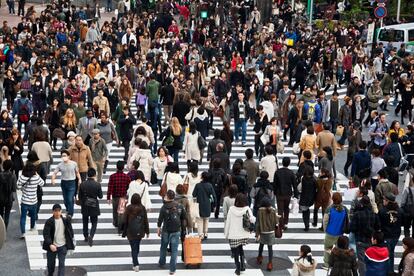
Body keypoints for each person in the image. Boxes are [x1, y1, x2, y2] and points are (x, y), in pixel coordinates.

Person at [157, 190, 187, 276]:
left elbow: (160, 219)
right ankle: (172, 269)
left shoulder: (164, 207)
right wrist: (183, 229)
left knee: (163, 247)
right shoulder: (179, 206)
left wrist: (159, 228)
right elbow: (184, 218)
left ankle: (162, 262)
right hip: (176, 230)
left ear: (167, 197)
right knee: (174, 250)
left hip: (166, 230)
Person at [224, 194, 255, 275]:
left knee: (235, 252)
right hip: (243, 234)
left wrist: (226, 234)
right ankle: (242, 264)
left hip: (234, 234)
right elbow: (253, 220)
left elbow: (228, 223)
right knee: (241, 248)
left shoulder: (231, 209)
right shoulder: (247, 209)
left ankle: (237, 268)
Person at [350, 196, 381, 276]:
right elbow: (378, 227)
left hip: (360, 239)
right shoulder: (374, 214)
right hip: (371, 240)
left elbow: (352, 228)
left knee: (361, 261)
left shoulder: (357, 214)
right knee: (370, 258)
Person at [42, 204, 75, 276]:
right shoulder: (49, 221)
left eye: (58, 211)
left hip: (63, 246)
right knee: (50, 265)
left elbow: (70, 232)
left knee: (62, 264)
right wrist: (50, 244)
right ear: (52, 212)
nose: (57, 213)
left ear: (61, 211)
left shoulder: (66, 221)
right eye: (55, 211)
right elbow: (46, 234)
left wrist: (71, 242)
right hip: (52, 246)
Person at [121, 193, 150, 272]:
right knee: (136, 246)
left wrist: (122, 229)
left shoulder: (129, 208)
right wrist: (147, 231)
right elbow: (145, 221)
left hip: (130, 231)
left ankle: (135, 264)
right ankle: (135, 258)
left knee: (133, 247)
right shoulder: (142, 208)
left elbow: (124, 220)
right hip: (140, 231)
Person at [17, 162, 44, 239]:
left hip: (25, 201)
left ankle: (23, 233)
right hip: (34, 201)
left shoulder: (22, 177)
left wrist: (22, 188)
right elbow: (42, 183)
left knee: (23, 217)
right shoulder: (36, 177)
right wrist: (37, 174)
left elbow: (18, 186)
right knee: (33, 215)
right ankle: (32, 227)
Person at [51, 150, 81, 219]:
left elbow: (77, 172)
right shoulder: (60, 165)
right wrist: (53, 179)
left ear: (68, 156)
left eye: (65, 156)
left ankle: (70, 214)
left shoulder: (74, 164)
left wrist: (79, 179)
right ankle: (68, 209)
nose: (63, 157)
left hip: (72, 182)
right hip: (64, 183)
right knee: (65, 199)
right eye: (62, 156)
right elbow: (55, 173)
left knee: (70, 199)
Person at [378, 193, 404, 273]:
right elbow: (402, 222)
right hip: (396, 235)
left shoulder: (382, 211)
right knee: (391, 252)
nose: (383, 201)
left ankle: (388, 271)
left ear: (388, 201)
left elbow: (379, 224)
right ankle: (391, 270)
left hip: (386, 235)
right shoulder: (400, 210)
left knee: (387, 254)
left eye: (384, 200)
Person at [322, 192, 349, 268]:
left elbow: (325, 221)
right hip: (340, 233)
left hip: (330, 232)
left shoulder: (329, 209)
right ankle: (337, 263)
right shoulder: (345, 209)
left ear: (332, 199)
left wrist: (325, 230)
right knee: (339, 250)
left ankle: (326, 264)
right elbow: (348, 220)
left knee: (327, 248)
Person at [78, 168, 103, 247]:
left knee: (85, 221)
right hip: (94, 205)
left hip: (85, 204)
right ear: (95, 175)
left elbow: (80, 196)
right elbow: (100, 196)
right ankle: (91, 235)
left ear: (87, 175)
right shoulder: (97, 184)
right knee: (94, 222)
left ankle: (85, 236)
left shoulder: (82, 184)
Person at [273, 157, 298, 229]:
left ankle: (281, 224)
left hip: (279, 193)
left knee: (280, 209)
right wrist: (296, 194)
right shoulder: (291, 173)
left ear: (282, 162)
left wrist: (274, 192)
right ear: (289, 163)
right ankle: (286, 222)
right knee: (286, 208)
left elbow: (275, 184)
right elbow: (294, 185)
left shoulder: (277, 172)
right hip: (288, 193)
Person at [255, 197, 279, 271]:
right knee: (270, 248)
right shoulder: (273, 210)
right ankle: (270, 263)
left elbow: (258, 224)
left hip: (263, 232)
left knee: (261, 245)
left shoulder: (259, 211)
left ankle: (259, 257)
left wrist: (257, 234)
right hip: (271, 232)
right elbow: (276, 222)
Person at [192, 171, 216, 240]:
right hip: (207, 204)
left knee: (199, 220)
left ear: (202, 177)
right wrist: (214, 205)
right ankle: (205, 233)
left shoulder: (198, 185)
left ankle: (200, 235)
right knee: (206, 219)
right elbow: (213, 196)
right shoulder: (210, 185)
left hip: (199, 204)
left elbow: (194, 195)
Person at [107, 161, 131, 229]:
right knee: (121, 212)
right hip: (123, 196)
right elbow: (128, 187)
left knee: (115, 210)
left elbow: (110, 187)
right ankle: (121, 225)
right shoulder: (126, 177)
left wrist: (108, 197)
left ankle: (115, 223)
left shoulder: (112, 176)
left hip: (115, 197)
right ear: (123, 168)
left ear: (116, 167)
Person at [299, 166, 317, 231]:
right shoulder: (314, 180)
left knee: (305, 212)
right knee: (307, 210)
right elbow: (316, 189)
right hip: (311, 197)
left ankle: (306, 224)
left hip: (304, 197)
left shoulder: (303, 179)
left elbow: (300, 188)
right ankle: (307, 223)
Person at [0, 160, 16, 229]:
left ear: (3, 166)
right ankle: (4, 231)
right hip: (9, 198)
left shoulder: (0, 175)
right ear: (10, 167)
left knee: (0, 215)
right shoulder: (13, 176)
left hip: (0, 197)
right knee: (7, 215)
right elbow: (14, 188)